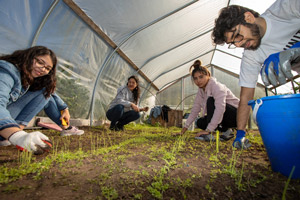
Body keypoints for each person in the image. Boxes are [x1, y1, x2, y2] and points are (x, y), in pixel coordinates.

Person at [212, 0, 300, 149]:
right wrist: (240, 132)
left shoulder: (286, 7)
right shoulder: (251, 56)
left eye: (237, 36)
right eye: (233, 43)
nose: (238, 45)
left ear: (248, 17)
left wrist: (296, 48)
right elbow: (245, 98)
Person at [0, 46, 83, 154]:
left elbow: (50, 92)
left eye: (48, 68)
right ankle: (13, 133)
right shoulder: (7, 70)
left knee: (45, 91)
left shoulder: (28, 77)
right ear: (28, 57)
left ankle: (66, 127)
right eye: (40, 62)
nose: (43, 69)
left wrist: (64, 108)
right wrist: (17, 136)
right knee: (45, 91)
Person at [178, 60, 240, 142]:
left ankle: (211, 133)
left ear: (208, 76)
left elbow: (220, 109)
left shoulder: (217, 87)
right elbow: (195, 110)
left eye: (201, 77)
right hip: (224, 116)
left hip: (236, 116)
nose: (198, 81)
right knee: (200, 122)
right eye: (195, 78)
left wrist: (208, 130)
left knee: (211, 100)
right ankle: (227, 131)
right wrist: (184, 130)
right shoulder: (201, 91)